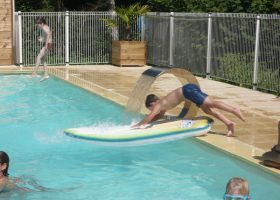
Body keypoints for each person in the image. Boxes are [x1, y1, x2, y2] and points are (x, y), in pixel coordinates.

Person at [132, 83, 245, 136]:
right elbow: (158, 117)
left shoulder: (158, 105)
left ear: (152, 103)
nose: (151, 110)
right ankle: (229, 124)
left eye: (150, 108)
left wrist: (137, 125)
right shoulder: (162, 106)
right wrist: (147, 123)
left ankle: (234, 109)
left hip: (188, 91)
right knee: (208, 110)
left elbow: (150, 117)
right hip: (188, 92)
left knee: (211, 103)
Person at [32, 17, 52, 82]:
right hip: (49, 44)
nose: (37, 26)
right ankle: (46, 75)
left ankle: (34, 73)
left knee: (38, 57)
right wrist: (41, 39)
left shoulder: (44, 27)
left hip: (47, 44)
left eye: (38, 24)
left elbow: (49, 34)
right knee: (43, 60)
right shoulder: (46, 27)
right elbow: (47, 36)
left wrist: (45, 44)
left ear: (42, 23)